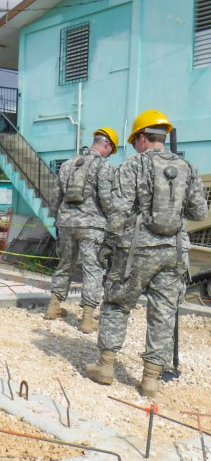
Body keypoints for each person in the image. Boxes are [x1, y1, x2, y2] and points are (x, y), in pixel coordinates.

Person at [85, 110, 208, 398]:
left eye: (134, 141)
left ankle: (105, 367)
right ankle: (151, 379)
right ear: (162, 138)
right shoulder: (188, 167)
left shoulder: (132, 166)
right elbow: (200, 211)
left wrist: (107, 245)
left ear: (142, 138)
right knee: (164, 312)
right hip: (175, 251)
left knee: (116, 303)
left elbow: (118, 211)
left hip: (135, 250)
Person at [44, 128, 119, 333]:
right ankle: (87, 319)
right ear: (107, 145)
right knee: (92, 269)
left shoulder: (68, 165)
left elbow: (55, 197)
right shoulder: (104, 166)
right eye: (110, 150)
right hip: (92, 226)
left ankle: (53, 306)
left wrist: (57, 219)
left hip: (66, 223)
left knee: (64, 264)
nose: (109, 154)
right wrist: (113, 219)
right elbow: (106, 199)